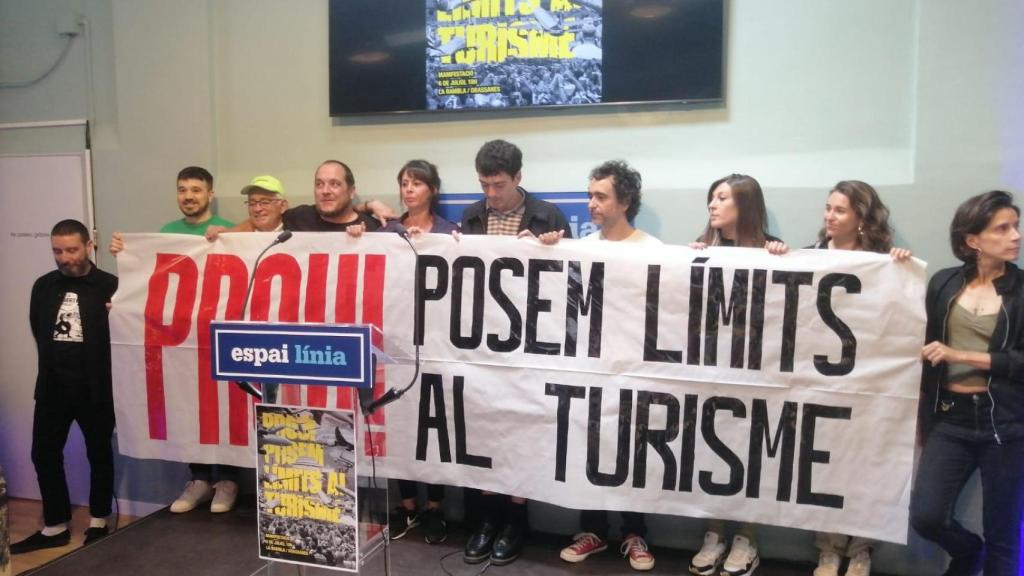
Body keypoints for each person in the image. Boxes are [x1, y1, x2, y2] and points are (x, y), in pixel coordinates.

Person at [461, 139, 572, 566]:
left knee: (521, 431)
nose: (491, 194)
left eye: (499, 185)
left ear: (519, 178)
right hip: (480, 341)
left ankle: (514, 523)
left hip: (529, 344)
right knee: (484, 429)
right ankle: (487, 521)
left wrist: (547, 249)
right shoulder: (472, 215)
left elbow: (571, 279)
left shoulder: (547, 215)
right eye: (485, 185)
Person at [110, 166, 241, 514]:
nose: (188, 196)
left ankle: (227, 481)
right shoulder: (165, 233)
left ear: (210, 194)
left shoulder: (228, 231)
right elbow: (151, 282)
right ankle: (198, 479)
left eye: (196, 190)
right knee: (188, 405)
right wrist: (127, 254)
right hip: (181, 339)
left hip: (217, 336)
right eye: (182, 189)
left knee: (225, 407)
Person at [911, 190, 1024, 576]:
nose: (1016, 236)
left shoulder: (1022, 290)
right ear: (972, 240)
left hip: (1007, 424)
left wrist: (961, 355)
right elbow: (918, 343)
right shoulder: (944, 283)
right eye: (1002, 228)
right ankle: (967, 552)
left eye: (1016, 226)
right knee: (925, 516)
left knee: (1004, 534)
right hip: (949, 419)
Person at [551, 160, 657, 571]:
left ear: (625, 201)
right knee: (587, 448)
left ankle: (634, 533)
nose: (591, 204)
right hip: (590, 369)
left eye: (601, 196)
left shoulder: (653, 250)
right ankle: (592, 529)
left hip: (633, 369)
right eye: (590, 195)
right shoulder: (583, 247)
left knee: (631, 451)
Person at [802, 181, 911, 576]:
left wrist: (900, 266)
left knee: (865, 465)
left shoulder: (882, 263)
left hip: (869, 382)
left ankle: (862, 547)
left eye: (840, 210)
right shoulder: (809, 257)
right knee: (823, 465)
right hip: (821, 379)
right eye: (827, 208)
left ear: (861, 219)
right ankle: (828, 547)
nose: (829, 216)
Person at [689, 173, 780, 576]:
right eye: (711, 196)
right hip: (710, 369)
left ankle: (746, 535)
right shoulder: (702, 250)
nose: (713, 204)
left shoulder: (770, 250)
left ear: (745, 205)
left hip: (756, 372)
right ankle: (713, 532)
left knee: (750, 453)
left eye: (722, 197)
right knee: (708, 450)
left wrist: (784, 258)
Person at [11, 220, 118, 553]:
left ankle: (99, 520)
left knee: (98, 453)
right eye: (58, 251)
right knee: (43, 454)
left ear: (89, 245)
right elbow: (37, 328)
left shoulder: (111, 286)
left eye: (71, 250)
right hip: (53, 387)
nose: (65, 258)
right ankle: (54, 525)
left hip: (96, 388)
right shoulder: (43, 286)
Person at [380, 160, 457, 545]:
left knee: (435, 429)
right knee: (399, 427)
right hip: (396, 343)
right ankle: (407, 506)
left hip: (437, 343)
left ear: (433, 189)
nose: (409, 190)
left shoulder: (449, 232)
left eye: (417, 183)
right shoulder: (387, 230)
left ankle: (435, 509)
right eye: (404, 183)